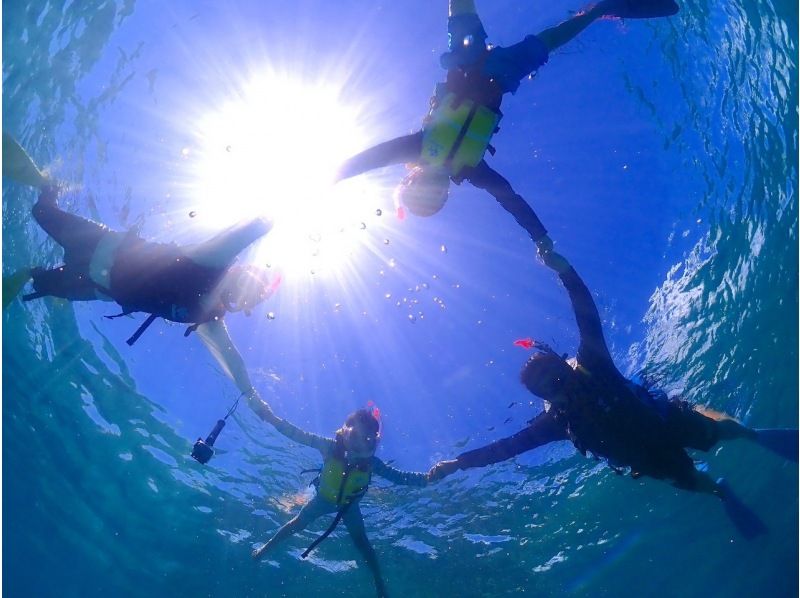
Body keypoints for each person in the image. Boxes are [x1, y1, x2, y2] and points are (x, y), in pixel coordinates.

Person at [428, 246, 798, 537]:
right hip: (647, 459)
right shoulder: (556, 423)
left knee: (718, 432)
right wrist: (459, 463)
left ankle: (752, 434)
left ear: (566, 365)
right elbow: (506, 448)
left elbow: (586, 314)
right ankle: (721, 491)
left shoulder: (594, 364)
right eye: (549, 389)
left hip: (665, 420)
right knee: (689, 480)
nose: (560, 387)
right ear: (545, 400)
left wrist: (565, 270)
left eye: (558, 376)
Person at [335, 0, 679, 246]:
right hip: (502, 75)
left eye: (423, 189)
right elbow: (511, 200)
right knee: (551, 40)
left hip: (466, 61)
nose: (434, 187)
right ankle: (602, 8)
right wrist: (541, 239)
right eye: (437, 196)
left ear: (411, 179)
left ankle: (599, 10)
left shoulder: (418, 147)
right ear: (446, 194)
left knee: (460, 9)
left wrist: (329, 178)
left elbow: (369, 159)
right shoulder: (471, 169)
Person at [2, 133, 279, 398]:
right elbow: (249, 230)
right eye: (246, 288)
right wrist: (273, 214)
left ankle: (30, 273)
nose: (238, 297)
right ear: (237, 271)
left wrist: (259, 406)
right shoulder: (213, 261)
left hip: (93, 287)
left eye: (244, 301)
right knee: (41, 212)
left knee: (39, 280)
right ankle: (48, 186)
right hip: (99, 245)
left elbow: (234, 364)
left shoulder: (208, 320)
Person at [247, 399, 429, 598]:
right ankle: (265, 549)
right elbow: (297, 434)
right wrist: (271, 418)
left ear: (374, 442)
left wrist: (430, 477)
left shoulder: (372, 463)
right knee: (297, 524)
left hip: (349, 507)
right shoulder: (329, 447)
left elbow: (400, 477)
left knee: (362, 543)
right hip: (322, 500)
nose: (359, 444)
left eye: (366, 439)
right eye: (355, 436)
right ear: (344, 432)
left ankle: (379, 583)